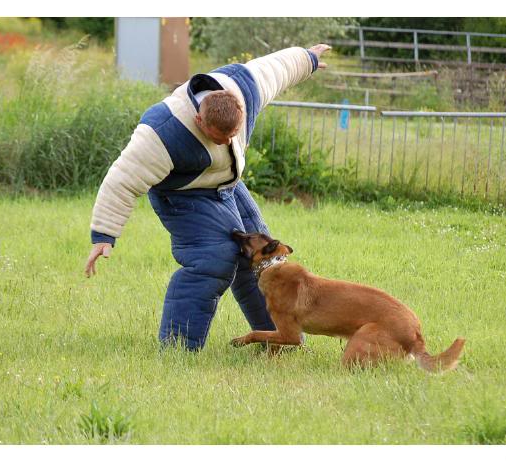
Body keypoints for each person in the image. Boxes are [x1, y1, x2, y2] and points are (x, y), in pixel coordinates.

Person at [84, 44, 332, 351]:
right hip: (184, 194)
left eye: (234, 133)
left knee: (262, 257)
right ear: (200, 122)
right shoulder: (163, 132)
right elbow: (122, 179)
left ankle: (279, 341)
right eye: (220, 137)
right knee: (214, 259)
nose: (229, 141)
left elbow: (273, 69)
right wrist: (104, 236)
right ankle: (178, 349)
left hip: (228, 183)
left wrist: (307, 58)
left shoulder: (242, 89)